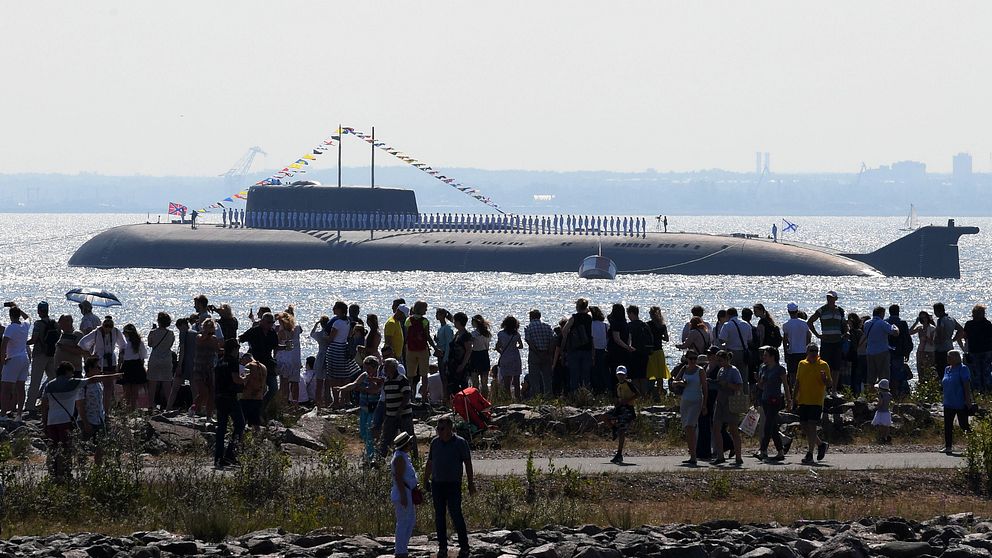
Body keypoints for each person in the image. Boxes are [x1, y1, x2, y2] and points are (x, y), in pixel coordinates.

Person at [40, 362, 120, 478]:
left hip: (51, 421)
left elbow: (44, 404)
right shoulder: (72, 383)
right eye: (71, 373)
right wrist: (114, 376)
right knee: (66, 448)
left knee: (53, 447)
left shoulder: (48, 385)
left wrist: (44, 422)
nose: (72, 375)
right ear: (67, 372)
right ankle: (66, 474)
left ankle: (53, 473)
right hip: (65, 421)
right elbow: (94, 379)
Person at [424, 416, 475, 558]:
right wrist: (425, 479)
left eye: (442, 428)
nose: (439, 431)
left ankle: (464, 546)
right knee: (439, 517)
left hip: (453, 484)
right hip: (437, 484)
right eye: (437, 428)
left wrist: (471, 483)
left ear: (450, 428)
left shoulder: (460, 443)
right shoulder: (435, 443)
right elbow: (430, 462)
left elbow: (468, 463)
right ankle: (442, 547)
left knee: (456, 514)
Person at [336, 355, 384, 462]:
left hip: (374, 408)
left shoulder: (380, 376)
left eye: (368, 368)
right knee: (363, 432)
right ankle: (372, 450)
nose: (366, 370)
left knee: (369, 431)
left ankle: (371, 456)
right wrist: (343, 388)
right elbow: (354, 384)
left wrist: (363, 388)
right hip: (364, 408)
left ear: (375, 367)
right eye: (365, 368)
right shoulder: (364, 375)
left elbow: (375, 390)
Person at [78, 315, 126, 413]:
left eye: (109, 328)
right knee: (97, 385)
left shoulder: (116, 331)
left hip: (110, 361)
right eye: (106, 327)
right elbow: (82, 343)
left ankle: (106, 410)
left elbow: (123, 345)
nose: (107, 330)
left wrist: (121, 357)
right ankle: (98, 408)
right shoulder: (96, 332)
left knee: (108, 387)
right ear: (103, 326)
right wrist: (90, 355)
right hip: (99, 362)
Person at [794, 343, 830, 464]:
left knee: (812, 425)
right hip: (803, 399)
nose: (814, 353)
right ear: (807, 352)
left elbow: (829, 384)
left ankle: (810, 453)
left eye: (816, 350)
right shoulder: (801, 364)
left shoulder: (823, 365)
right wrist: (794, 398)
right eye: (811, 351)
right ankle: (821, 444)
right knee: (804, 425)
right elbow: (797, 382)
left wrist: (825, 380)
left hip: (816, 401)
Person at [807, 291, 847, 395]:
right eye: (828, 297)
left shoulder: (840, 311)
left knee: (836, 367)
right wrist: (817, 335)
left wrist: (844, 334)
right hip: (826, 341)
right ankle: (824, 389)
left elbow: (844, 324)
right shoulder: (822, 310)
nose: (829, 299)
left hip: (837, 341)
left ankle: (833, 390)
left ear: (836, 299)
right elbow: (810, 321)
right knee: (824, 366)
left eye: (831, 297)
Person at [214, 339, 246, 468]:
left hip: (219, 396)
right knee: (240, 424)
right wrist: (246, 379)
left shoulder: (220, 362)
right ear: (234, 349)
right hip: (230, 397)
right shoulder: (233, 362)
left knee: (221, 428)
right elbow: (236, 379)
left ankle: (218, 457)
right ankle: (230, 453)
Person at [671, 350, 706, 465]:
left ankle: (694, 456)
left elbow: (705, 389)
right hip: (685, 400)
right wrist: (680, 383)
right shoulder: (684, 369)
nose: (693, 361)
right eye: (691, 359)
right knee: (687, 428)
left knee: (690, 426)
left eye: (695, 359)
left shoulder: (700, 371)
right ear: (687, 359)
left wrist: (704, 404)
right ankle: (692, 454)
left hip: (696, 401)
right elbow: (674, 382)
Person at [756, 346, 790, 461]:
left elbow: (785, 385)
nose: (763, 357)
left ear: (772, 357)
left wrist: (789, 399)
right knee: (773, 426)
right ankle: (780, 451)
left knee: (768, 424)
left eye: (766, 355)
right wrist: (759, 381)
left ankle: (763, 450)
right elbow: (761, 385)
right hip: (765, 398)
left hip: (775, 399)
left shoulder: (779, 369)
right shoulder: (763, 368)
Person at [238, 312, 279, 410]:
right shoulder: (254, 331)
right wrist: (239, 354)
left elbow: (275, 346)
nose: (270, 325)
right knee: (254, 388)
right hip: (254, 364)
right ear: (262, 321)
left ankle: (261, 407)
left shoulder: (272, 333)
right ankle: (248, 409)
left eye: (272, 322)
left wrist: (285, 347)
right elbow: (240, 338)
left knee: (273, 388)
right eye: (269, 322)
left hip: (268, 363)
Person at [324, 302, 362, 407]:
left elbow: (331, 338)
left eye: (335, 308)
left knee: (333, 376)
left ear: (340, 310)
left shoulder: (337, 323)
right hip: (343, 348)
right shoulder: (348, 321)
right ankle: (344, 399)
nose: (333, 309)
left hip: (335, 349)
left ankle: (336, 400)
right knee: (345, 375)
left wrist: (324, 337)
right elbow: (349, 335)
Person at [710, 350, 744, 466]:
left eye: (721, 361)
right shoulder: (721, 370)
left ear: (726, 360)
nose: (719, 363)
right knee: (716, 428)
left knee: (733, 430)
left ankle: (738, 457)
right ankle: (720, 456)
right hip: (720, 402)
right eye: (718, 361)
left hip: (731, 402)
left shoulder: (734, 371)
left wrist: (727, 384)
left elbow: (739, 386)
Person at [379, 357, 417, 459]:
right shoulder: (387, 381)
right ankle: (380, 459)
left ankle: (415, 458)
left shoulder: (401, 379)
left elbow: (407, 395)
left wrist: (400, 409)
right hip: (390, 414)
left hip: (404, 414)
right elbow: (387, 398)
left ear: (393, 367)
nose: (384, 369)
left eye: (386, 366)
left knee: (408, 436)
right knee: (386, 437)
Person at [27, 301, 59, 412]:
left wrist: (23, 342)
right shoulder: (55, 323)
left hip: (40, 355)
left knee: (35, 381)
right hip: (52, 355)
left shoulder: (38, 324)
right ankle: (56, 403)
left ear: (39, 311)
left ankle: (30, 406)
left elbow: (34, 340)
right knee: (54, 380)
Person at [390, 431, 418, 558]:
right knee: (403, 522)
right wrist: (403, 495)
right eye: (410, 443)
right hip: (403, 492)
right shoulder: (399, 458)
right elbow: (399, 478)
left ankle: (403, 548)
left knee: (410, 521)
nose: (411, 445)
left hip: (408, 492)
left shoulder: (403, 456)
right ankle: (400, 551)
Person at [603, 366, 638, 464]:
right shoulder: (617, 385)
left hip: (628, 409)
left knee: (622, 430)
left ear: (625, 375)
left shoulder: (629, 384)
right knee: (604, 417)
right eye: (619, 374)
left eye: (622, 375)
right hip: (620, 408)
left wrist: (627, 400)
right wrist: (617, 404)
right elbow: (616, 397)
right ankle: (614, 430)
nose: (621, 376)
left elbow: (637, 394)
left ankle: (619, 453)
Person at [941, 349, 974, 454]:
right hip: (948, 402)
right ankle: (948, 446)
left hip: (959, 402)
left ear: (956, 358)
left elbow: (966, 385)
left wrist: (968, 400)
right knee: (948, 425)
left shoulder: (963, 369)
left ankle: (974, 444)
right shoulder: (947, 369)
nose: (947, 359)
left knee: (963, 425)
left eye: (949, 357)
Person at [2, 305, 32, 415]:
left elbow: (4, 344)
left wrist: (2, 359)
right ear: (19, 315)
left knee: (6, 388)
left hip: (13, 359)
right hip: (24, 359)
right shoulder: (24, 326)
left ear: (10, 316)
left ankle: (3, 414)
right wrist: (18, 307)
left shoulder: (10, 328)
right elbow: (28, 317)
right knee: (20, 388)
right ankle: (19, 414)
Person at [404, 301, 437, 399]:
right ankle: (424, 399)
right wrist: (435, 348)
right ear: (420, 309)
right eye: (425, 308)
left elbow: (406, 336)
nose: (426, 310)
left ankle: (410, 398)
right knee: (424, 375)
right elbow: (427, 337)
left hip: (410, 350)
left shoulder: (408, 320)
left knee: (410, 376)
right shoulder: (425, 321)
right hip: (422, 350)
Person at [562, 298, 595, 393]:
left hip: (575, 349)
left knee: (574, 375)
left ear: (577, 307)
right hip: (587, 348)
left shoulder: (574, 318)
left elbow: (564, 330)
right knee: (586, 375)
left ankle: (575, 395)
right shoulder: (589, 318)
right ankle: (586, 394)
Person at [192, 318, 222, 419]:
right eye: (207, 327)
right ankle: (194, 408)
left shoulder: (214, 339)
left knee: (211, 393)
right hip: (199, 368)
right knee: (203, 392)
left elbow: (218, 351)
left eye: (211, 327)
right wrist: (206, 334)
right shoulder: (198, 337)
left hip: (209, 368)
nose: (209, 330)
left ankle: (209, 415)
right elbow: (201, 340)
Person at [146, 312, 175, 412]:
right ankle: (169, 405)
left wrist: (152, 330)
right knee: (167, 383)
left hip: (155, 358)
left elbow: (150, 344)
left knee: (152, 383)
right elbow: (170, 344)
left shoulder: (153, 332)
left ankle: (150, 405)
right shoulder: (170, 333)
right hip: (166, 359)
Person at [862, 307, 898, 386]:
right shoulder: (882, 323)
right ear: (881, 313)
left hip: (869, 352)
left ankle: (871, 395)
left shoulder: (867, 323)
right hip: (882, 352)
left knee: (871, 377)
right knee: (884, 376)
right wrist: (895, 326)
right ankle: (883, 395)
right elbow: (895, 333)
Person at [118, 323, 149, 412]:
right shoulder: (139, 342)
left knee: (127, 390)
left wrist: (118, 367)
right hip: (136, 366)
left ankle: (127, 408)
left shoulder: (125, 343)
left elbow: (121, 357)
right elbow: (143, 357)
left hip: (127, 365)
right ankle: (132, 408)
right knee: (134, 391)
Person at [524, 309, 554, 397]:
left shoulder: (528, 327)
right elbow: (552, 340)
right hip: (546, 353)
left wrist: (537, 352)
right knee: (547, 378)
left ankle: (536, 397)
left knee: (534, 378)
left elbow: (529, 341)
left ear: (531, 317)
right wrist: (548, 352)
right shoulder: (547, 326)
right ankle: (548, 396)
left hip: (535, 354)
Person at [626, 305, 654, 397]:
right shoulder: (645, 325)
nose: (628, 316)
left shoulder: (630, 325)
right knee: (643, 377)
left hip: (634, 354)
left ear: (631, 313)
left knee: (635, 377)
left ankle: (637, 396)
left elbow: (629, 339)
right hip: (645, 354)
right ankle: (645, 396)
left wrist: (628, 347)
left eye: (628, 314)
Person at [963, 305, 992, 393]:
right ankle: (985, 390)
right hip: (983, 351)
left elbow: (965, 337)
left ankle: (980, 390)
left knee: (978, 372)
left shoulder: (970, 324)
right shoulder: (987, 324)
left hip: (977, 351)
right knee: (984, 372)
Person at [275, 311, 302, 404]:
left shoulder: (282, 332)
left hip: (285, 360)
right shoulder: (297, 329)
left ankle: (284, 403)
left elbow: (276, 345)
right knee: (295, 383)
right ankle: (295, 403)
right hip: (296, 359)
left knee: (284, 383)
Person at [718, 308, 752, 380]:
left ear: (728, 315)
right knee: (744, 377)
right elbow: (749, 340)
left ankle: (734, 391)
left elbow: (721, 340)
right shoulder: (746, 324)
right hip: (744, 353)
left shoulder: (727, 325)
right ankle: (744, 391)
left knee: (731, 377)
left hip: (731, 353)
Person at [782, 303, 811, 386]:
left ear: (788, 311)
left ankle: (793, 393)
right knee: (804, 374)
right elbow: (808, 337)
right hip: (803, 352)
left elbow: (785, 340)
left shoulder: (786, 325)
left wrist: (785, 353)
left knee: (792, 374)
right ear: (797, 311)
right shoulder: (804, 324)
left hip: (792, 352)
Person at [933, 303, 964, 376]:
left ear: (937, 311)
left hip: (941, 349)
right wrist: (953, 339)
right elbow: (961, 330)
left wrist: (937, 341)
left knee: (941, 370)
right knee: (950, 368)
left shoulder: (940, 320)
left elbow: (941, 333)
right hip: (949, 346)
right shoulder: (951, 319)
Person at [447, 313, 473, 396]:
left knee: (462, 386)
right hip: (453, 363)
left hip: (461, 364)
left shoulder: (466, 335)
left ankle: (464, 404)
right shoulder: (458, 333)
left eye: (455, 321)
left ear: (459, 322)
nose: (454, 322)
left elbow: (468, 351)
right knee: (453, 386)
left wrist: (462, 365)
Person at [239, 352, 267, 430]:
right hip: (258, 397)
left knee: (242, 420)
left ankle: (241, 438)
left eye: (242, 361)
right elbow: (264, 385)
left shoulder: (248, 366)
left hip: (247, 397)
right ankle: (257, 439)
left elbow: (245, 381)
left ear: (246, 358)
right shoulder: (263, 367)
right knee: (256, 422)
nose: (242, 364)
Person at [646, 306, 670, 398]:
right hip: (660, 351)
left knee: (651, 373)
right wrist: (660, 337)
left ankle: (649, 393)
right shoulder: (662, 326)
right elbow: (667, 339)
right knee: (660, 374)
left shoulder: (648, 324)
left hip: (651, 351)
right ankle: (660, 393)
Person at [309, 316, 331, 406]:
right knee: (327, 383)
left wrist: (316, 324)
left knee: (319, 382)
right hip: (329, 356)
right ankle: (327, 401)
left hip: (321, 356)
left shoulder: (319, 335)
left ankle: (318, 402)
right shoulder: (330, 335)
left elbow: (311, 333)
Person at [910, 311, 937, 383]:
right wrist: (916, 322)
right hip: (920, 351)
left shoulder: (932, 328)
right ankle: (921, 385)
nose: (923, 319)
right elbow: (909, 332)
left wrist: (925, 335)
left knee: (929, 371)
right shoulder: (920, 328)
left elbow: (932, 342)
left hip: (929, 351)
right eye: (921, 318)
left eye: (924, 317)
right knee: (920, 370)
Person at [468, 315, 492, 397]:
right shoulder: (487, 334)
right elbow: (487, 346)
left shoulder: (474, 334)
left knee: (475, 382)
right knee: (484, 382)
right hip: (484, 355)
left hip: (475, 355)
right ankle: (485, 399)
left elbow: (470, 345)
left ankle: (476, 399)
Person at [589, 306, 610, 394]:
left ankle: (596, 391)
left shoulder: (590, 325)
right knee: (604, 372)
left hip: (592, 351)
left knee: (593, 373)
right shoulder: (605, 325)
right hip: (603, 350)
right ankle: (606, 390)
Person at [872, 379, 893, 444]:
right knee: (886, 426)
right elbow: (889, 402)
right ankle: (887, 436)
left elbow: (881, 402)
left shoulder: (880, 394)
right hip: (887, 412)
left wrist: (876, 405)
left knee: (880, 425)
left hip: (881, 411)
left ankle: (881, 437)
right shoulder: (889, 394)